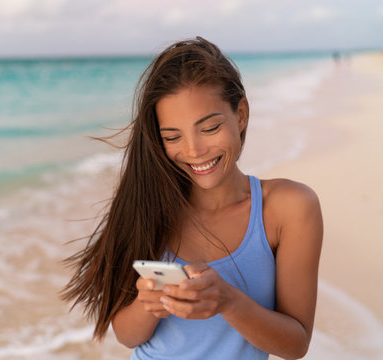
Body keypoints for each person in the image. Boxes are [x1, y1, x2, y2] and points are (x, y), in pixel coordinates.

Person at [61, 37, 323, 360]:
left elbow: (296, 344)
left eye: (209, 128)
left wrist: (228, 301)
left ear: (240, 115)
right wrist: (149, 306)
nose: (194, 151)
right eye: (172, 137)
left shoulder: (290, 208)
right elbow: (127, 336)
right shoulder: (149, 206)